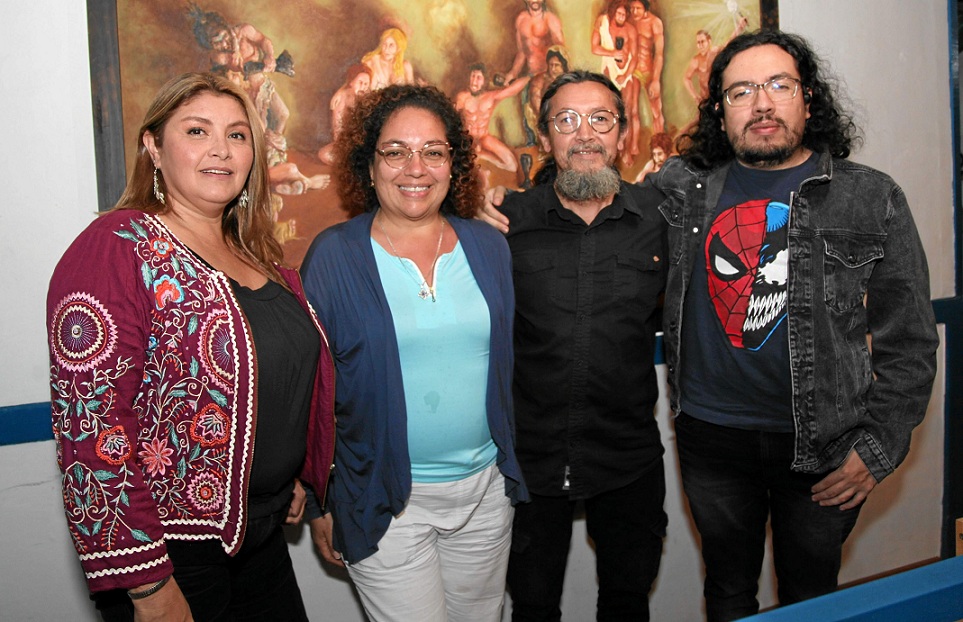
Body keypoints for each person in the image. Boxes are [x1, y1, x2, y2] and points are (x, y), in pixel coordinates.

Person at [652, 30, 939, 620]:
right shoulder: (682, 189)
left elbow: (909, 341)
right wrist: (503, 214)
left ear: (808, 99)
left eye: (779, 85)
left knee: (810, 597)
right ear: (720, 112)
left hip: (826, 445)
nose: (761, 103)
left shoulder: (870, 197)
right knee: (728, 589)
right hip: (711, 437)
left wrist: (880, 446)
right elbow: (598, 212)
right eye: (741, 91)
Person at [46, 72, 335, 620]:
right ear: (153, 147)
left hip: (262, 538)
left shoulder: (259, 258)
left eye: (238, 134)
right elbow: (91, 428)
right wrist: (146, 584)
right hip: (172, 558)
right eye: (197, 131)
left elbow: (274, 377)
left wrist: (291, 474)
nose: (221, 150)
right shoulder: (117, 248)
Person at [301, 84, 529, 622]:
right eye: (396, 150)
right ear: (369, 163)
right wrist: (318, 499)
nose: (415, 167)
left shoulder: (490, 247)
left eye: (433, 151)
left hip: (485, 495)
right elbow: (310, 389)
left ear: (454, 164)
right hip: (384, 499)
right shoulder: (334, 256)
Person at [496, 71, 668, 621]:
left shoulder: (661, 223)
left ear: (624, 134)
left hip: (628, 457)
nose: (585, 134)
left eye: (600, 119)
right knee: (533, 605)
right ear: (545, 138)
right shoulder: (505, 222)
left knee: (626, 602)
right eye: (566, 121)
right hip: (530, 459)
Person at [455, 63, 530, 173]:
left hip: (485, 137)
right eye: (472, 76)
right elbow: (449, 114)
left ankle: (481, 155)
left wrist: (530, 76)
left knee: (512, 165)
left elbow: (514, 89)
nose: (474, 81)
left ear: (484, 81)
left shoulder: (491, 97)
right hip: (468, 138)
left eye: (478, 77)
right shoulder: (462, 97)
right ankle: (477, 156)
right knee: (466, 162)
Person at [591, 0, 639, 166]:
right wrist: (613, 53)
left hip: (625, 73)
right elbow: (594, 48)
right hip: (608, 71)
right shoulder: (603, 23)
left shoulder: (631, 30)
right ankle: (607, 153)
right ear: (613, 13)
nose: (621, 17)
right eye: (618, 14)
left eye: (624, 14)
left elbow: (635, 56)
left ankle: (625, 151)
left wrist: (626, 74)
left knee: (627, 111)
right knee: (607, 112)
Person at [317, 64, 372, 165]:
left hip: (366, 142)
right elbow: (337, 125)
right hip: (347, 141)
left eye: (366, 84)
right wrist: (344, 143)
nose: (363, 87)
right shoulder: (342, 97)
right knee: (324, 154)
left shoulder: (370, 99)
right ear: (351, 82)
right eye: (360, 82)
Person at [503, 0, 565, 85]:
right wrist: (513, 73)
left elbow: (562, 51)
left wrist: (555, 76)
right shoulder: (521, 19)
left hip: (548, 76)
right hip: (531, 74)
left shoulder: (550, 19)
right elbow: (522, 52)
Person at [628, 0, 664, 134]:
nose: (634, 12)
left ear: (645, 8)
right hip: (631, 71)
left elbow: (659, 54)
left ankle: (660, 144)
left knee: (656, 111)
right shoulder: (629, 21)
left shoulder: (655, 22)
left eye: (637, 8)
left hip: (648, 70)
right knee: (631, 110)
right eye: (631, 9)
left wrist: (655, 80)